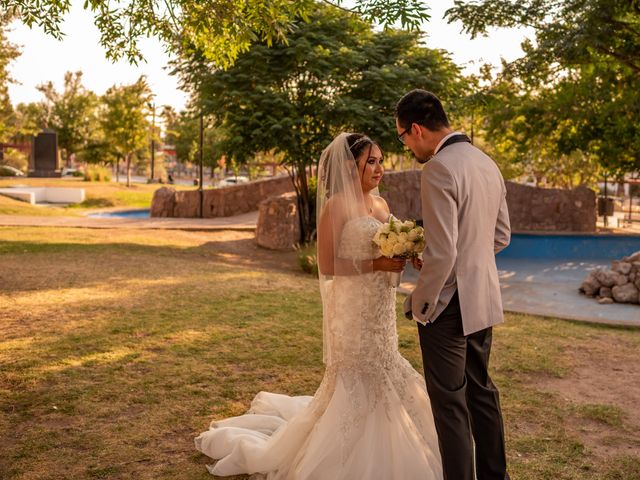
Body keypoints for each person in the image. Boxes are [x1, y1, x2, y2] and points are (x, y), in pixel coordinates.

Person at [194, 132, 443, 479]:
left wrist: (408, 254)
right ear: (348, 165)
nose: (379, 168)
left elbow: (389, 247)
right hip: (353, 311)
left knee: (385, 364)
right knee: (357, 374)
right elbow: (327, 265)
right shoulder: (336, 206)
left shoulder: (383, 206)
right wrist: (376, 265)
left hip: (380, 309)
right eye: (371, 160)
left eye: (381, 160)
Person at [397, 89, 511, 480]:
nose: (408, 146)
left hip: (447, 308)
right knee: (481, 392)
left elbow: (443, 254)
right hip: (483, 297)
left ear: (416, 129)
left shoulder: (439, 168)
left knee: (449, 405)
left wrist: (420, 301)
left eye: (403, 137)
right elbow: (500, 237)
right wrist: (471, 265)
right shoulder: (486, 163)